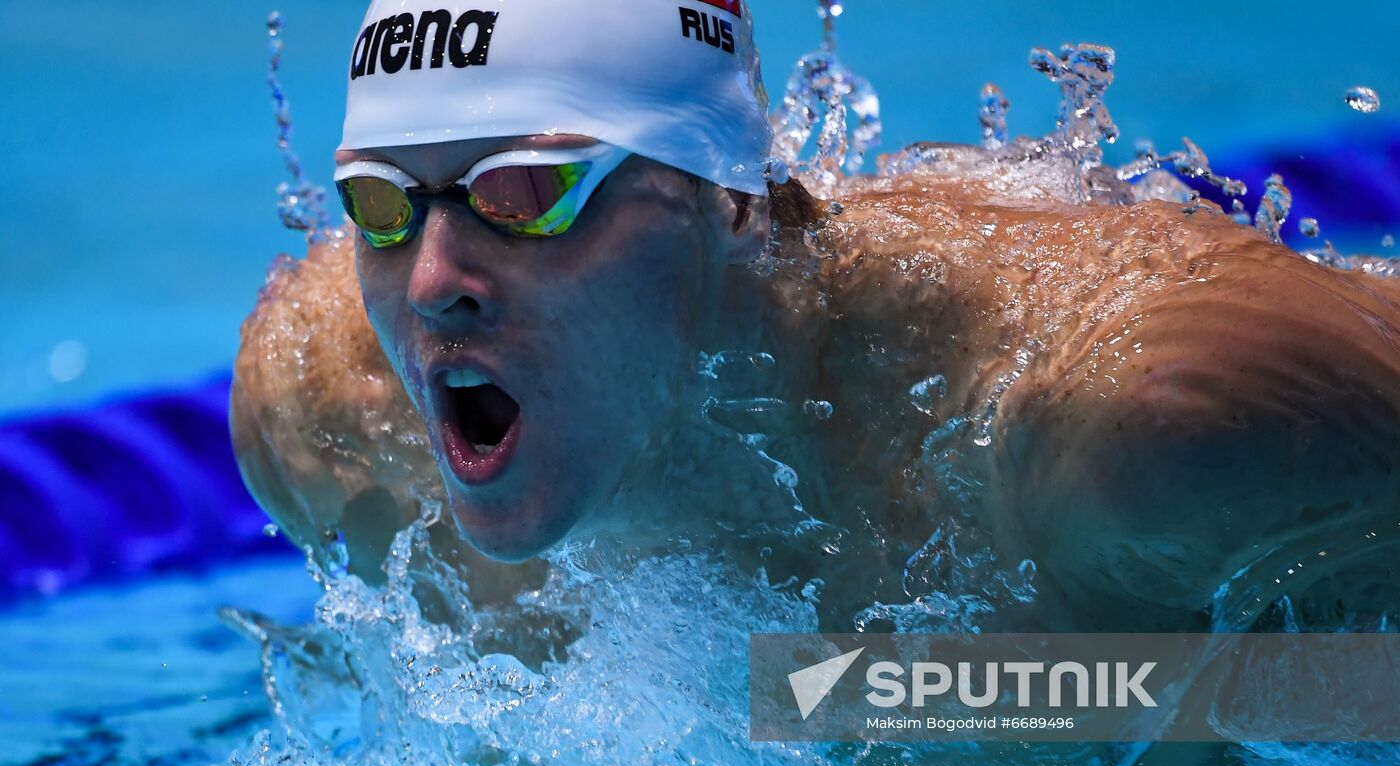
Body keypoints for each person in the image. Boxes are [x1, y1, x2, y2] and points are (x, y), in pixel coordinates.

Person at [232, 0, 1400, 637]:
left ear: (734, 204)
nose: (432, 279)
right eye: (380, 205)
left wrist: (1197, 736)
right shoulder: (335, 421)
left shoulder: (1119, 431)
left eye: (524, 195)